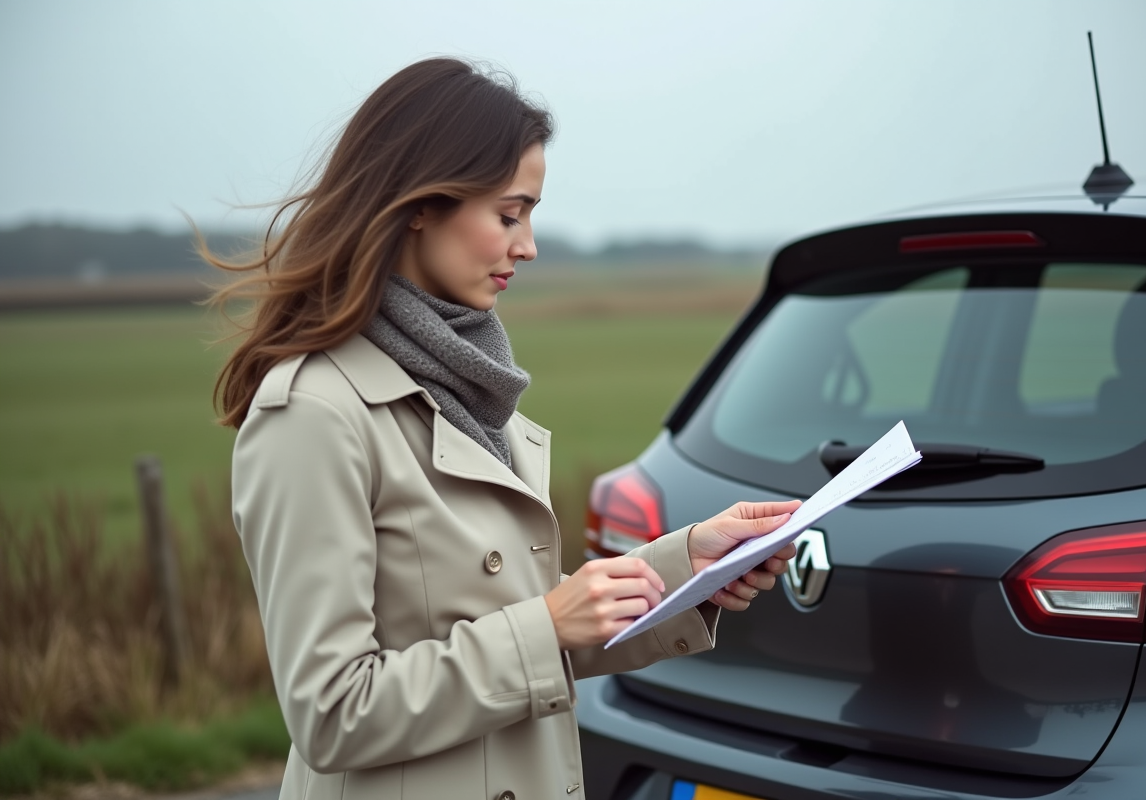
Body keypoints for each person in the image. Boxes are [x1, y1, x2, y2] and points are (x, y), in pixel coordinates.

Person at [203, 57, 799, 800]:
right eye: (509, 215)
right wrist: (548, 625)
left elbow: (526, 629)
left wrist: (693, 570)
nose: (528, 245)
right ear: (419, 204)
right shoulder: (313, 413)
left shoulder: (472, 388)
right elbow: (332, 713)